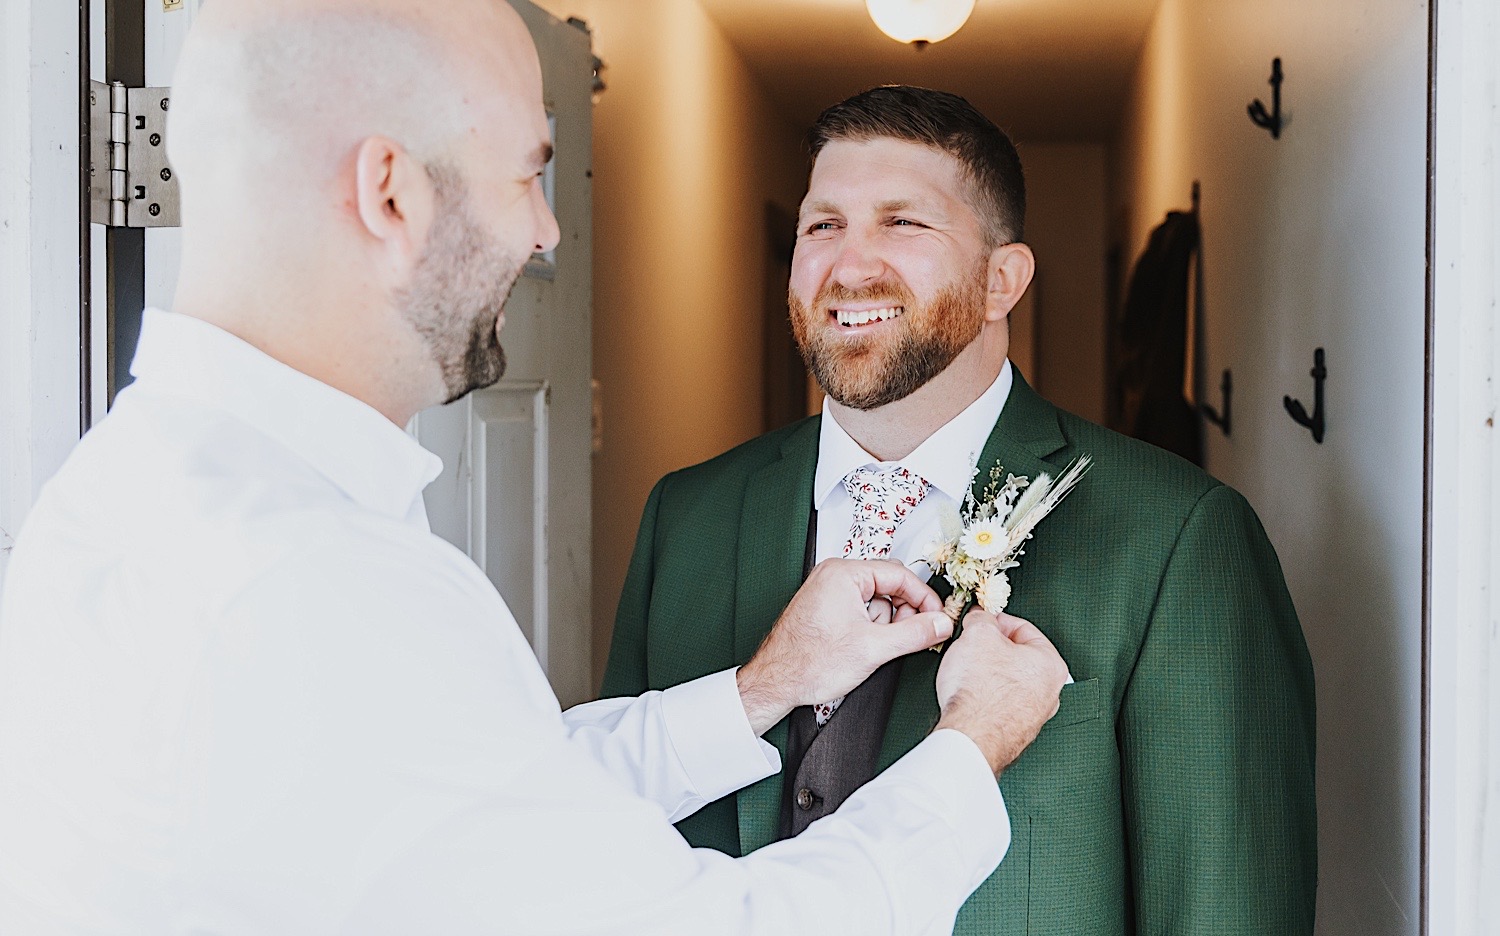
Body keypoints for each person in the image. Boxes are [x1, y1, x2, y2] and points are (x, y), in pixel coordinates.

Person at [0, 5, 1073, 934]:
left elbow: (485, 804)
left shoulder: (145, 495)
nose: (547, 228)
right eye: (528, 173)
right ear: (391, 194)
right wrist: (972, 742)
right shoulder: (308, 585)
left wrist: (763, 691)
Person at [604, 86, 1318, 934]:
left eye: (903, 224)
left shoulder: (1179, 535)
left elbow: (1224, 910)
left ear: (1000, 281)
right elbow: (602, 843)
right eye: (822, 224)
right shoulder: (687, 515)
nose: (850, 265)